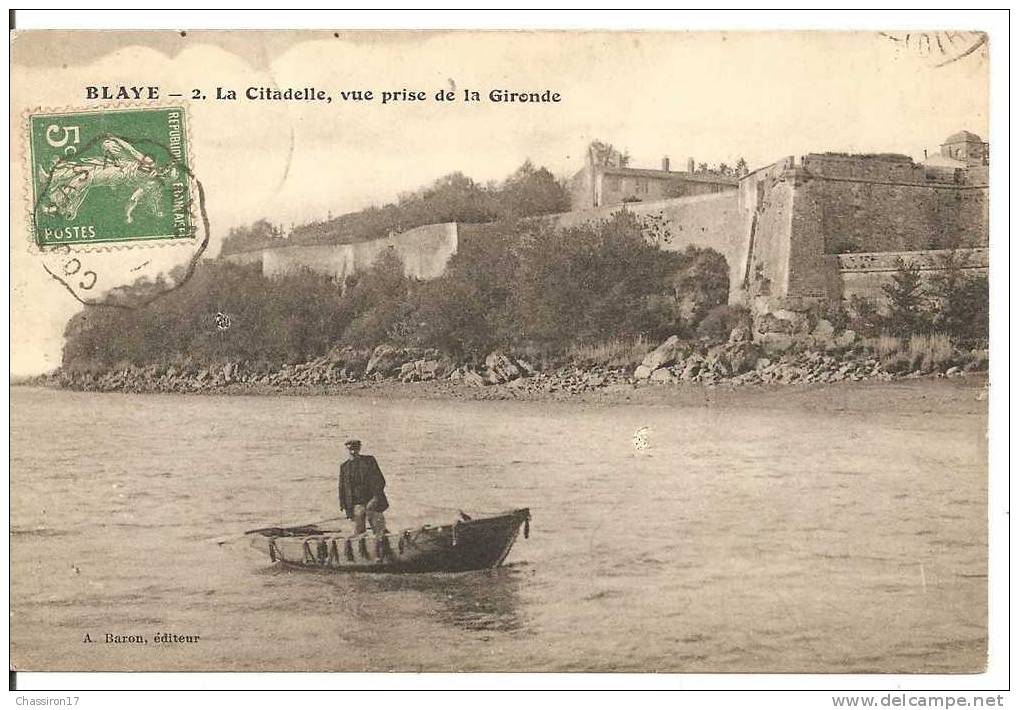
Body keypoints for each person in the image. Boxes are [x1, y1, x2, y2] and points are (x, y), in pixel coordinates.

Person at [338, 438, 389, 535]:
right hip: (356, 504)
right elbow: (342, 488)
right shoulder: (344, 467)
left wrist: (376, 498)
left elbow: (380, 481)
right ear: (347, 450)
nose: (353, 452)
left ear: (359, 449)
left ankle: (383, 544)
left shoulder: (369, 461)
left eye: (355, 449)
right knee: (358, 531)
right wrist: (344, 505)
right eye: (350, 450)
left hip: (373, 501)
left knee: (380, 530)